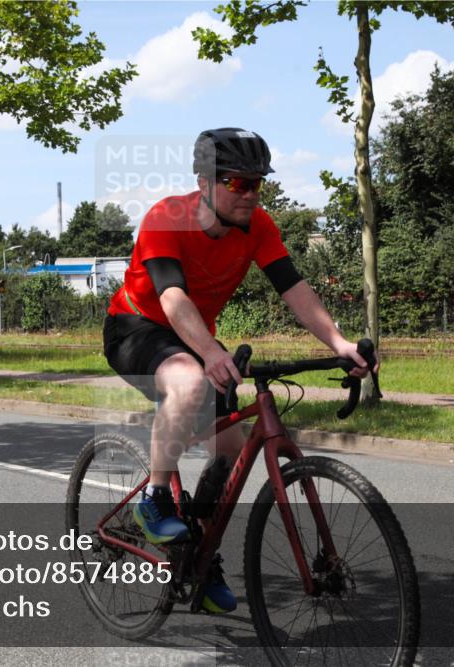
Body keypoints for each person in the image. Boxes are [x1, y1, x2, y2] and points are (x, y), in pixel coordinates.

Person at [102, 127, 378, 614]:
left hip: (193, 336)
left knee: (230, 445)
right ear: (204, 182)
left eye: (257, 184)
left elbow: (294, 289)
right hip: (137, 327)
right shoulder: (168, 218)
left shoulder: (259, 227)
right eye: (238, 184)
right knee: (186, 380)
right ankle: (156, 499)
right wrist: (210, 353)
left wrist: (339, 343)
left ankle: (198, 559)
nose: (250, 195)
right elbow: (172, 297)